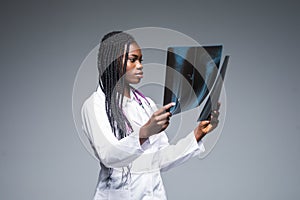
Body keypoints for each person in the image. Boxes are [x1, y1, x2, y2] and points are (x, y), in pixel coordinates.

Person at [81, 31, 220, 200]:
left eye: (141, 60)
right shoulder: (95, 105)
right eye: (133, 60)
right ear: (112, 62)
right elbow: (108, 156)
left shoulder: (146, 105)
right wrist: (144, 133)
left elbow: (160, 159)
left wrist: (198, 134)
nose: (139, 65)